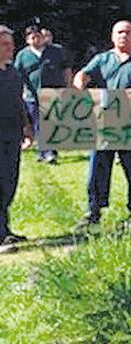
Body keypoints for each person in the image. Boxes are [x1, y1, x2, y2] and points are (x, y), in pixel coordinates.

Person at [74, 21, 131, 227]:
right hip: (104, 124)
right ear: (113, 37)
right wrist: (80, 83)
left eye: (127, 32)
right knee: (98, 168)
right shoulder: (102, 59)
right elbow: (83, 74)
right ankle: (94, 211)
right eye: (119, 32)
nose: (123, 36)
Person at [0, 25, 34, 252]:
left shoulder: (13, 73)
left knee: (8, 183)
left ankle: (5, 229)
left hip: (11, 137)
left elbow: (19, 102)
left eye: (11, 44)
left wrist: (27, 128)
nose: (11, 49)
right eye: (4, 44)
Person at [13, 25, 67, 164]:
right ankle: (47, 152)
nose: (36, 39)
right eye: (33, 37)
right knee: (39, 124)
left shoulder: (55, 51)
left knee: (52, 123)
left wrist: (68, 87)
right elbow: (17, 74)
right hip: (32, 96)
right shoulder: (23, 55)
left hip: (53, 93)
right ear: (27, 40)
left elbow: (66, 68)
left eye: (38, 36)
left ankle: (48, 152)